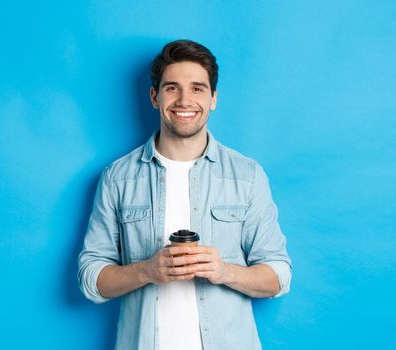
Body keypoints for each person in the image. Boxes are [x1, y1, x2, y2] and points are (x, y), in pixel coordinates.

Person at [77, 39, 292, 350]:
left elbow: (279, 276)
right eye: (172, 88)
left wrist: (223, 271)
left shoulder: (247, 175)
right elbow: (91, 279)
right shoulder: (117, 178)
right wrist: (147, 270)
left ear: (213, 98)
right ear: (155, 96)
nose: (184, 100)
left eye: (197, 88)